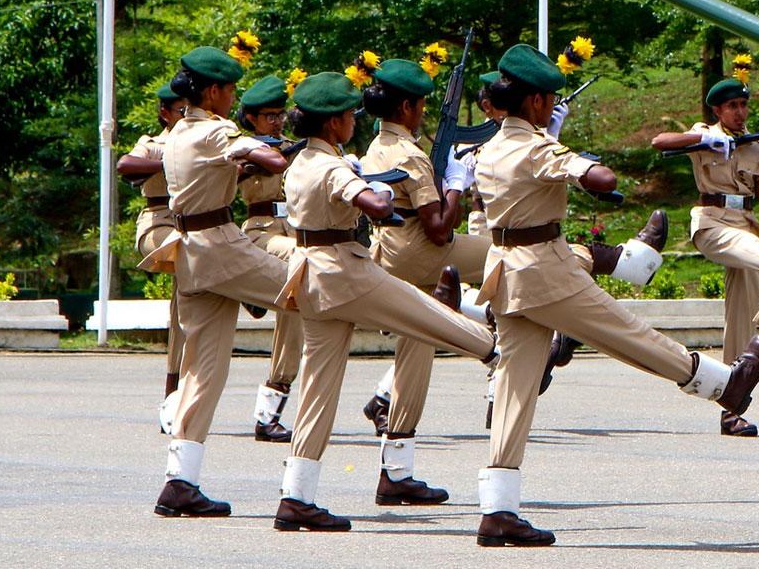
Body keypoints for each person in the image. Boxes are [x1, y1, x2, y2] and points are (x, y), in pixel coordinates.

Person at [472, 44, 759, 547]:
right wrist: (595, 176)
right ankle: (722, 385)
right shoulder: (538, 147)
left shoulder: (492, 146)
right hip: (547, 270)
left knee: (514, 390)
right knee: (626, 333)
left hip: (509, 274)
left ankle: (498, 509)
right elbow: (598, 176)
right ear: (540, 102)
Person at [362, 58, 668, 436]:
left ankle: (394, 440)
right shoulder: (410, 153)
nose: (424, 111)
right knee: (518, 259)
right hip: (423, 250)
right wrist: (455, 185)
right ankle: (622, 262)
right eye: (421, 104)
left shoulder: (377, 145)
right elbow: (440, 230)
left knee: (422, 341)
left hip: (390, 250)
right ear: (407, 107)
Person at [271, 70, 503, 532]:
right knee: (427, 313)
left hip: (312, 275)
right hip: (345, 269)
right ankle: (495, 350)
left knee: (318, 390)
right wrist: (374, 191)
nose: (353, 122)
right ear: (334, 123)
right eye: (346, 117)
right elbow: (376, 207)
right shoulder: (333, 165)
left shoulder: (300, 161)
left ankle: (296, 496)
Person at [152, 39, 292, 518]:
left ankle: (180, 483)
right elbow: (266, 159)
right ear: (212, 92)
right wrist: (279, 152)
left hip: (191, 253)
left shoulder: (178, 133)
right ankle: (472, 321)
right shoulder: (217, 130)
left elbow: (219, 169)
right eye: (230, 90)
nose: (234, 98)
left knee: (203, 372)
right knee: (318, 289)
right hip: (222, 246)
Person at [650, 66, 759, 436]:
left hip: (744, 222)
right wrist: (701, 143)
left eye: (744, 105)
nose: (741, 112)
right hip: (713, 223)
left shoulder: (756, 142)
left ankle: (732, 407)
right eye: (732, 106)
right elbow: (659, 143)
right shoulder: (704, 134)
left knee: (743, 322)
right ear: (718, 110)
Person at [235, 73, 306, 443]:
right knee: (303, 262)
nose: (276, 121)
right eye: (268, 116)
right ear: (251, 119)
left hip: (294, 230)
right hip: (261, 232)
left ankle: (269, 411)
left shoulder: (294, 146)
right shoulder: (241, 148)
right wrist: (245, 167)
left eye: (280, 114)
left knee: (295, 303)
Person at [119, 81, 187, 434]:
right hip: (161, 223)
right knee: (191, 258)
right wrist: (169, 162)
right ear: (164, 113)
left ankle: (175, 395)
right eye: (181, 112)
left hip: (199, 224)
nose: (187, 117)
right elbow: (126, 165)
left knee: (186, 305)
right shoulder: (153, 142)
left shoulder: (202, 138)